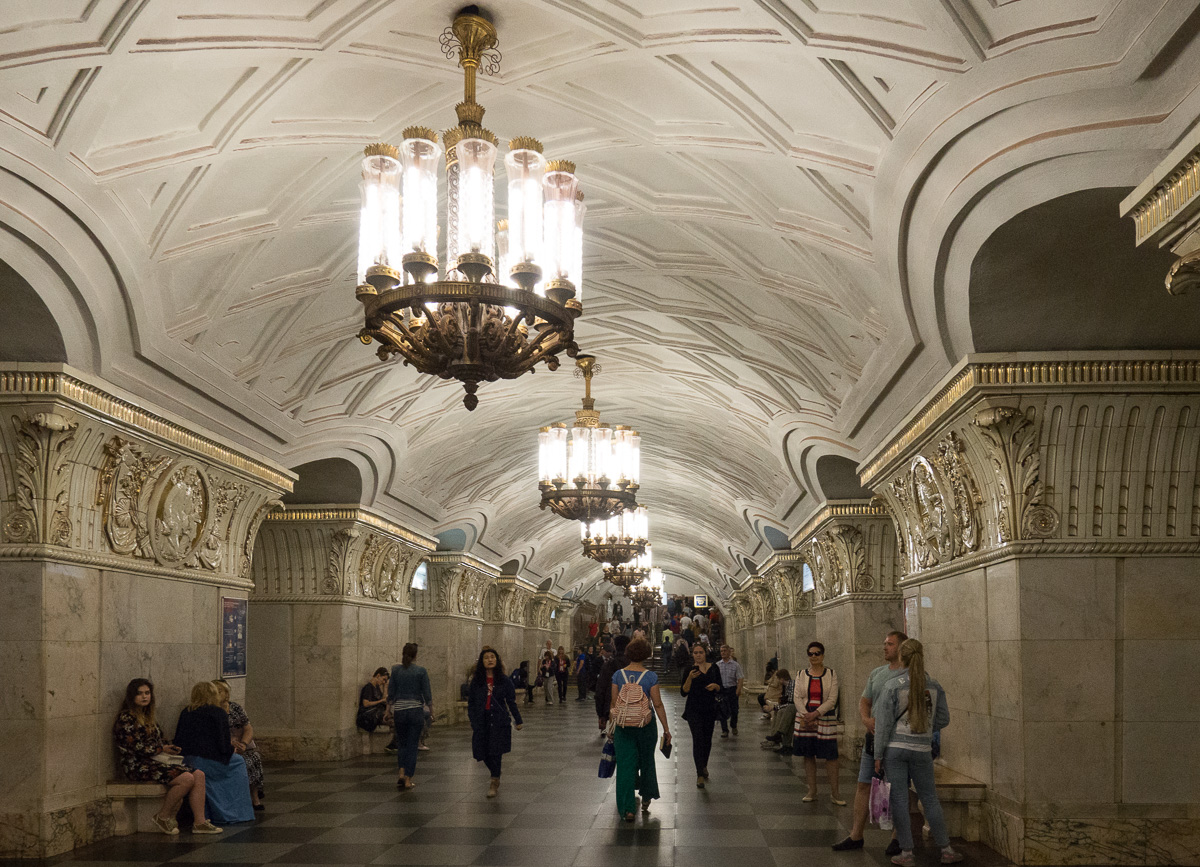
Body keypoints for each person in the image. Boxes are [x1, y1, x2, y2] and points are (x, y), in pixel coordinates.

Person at [873, 639, 962, 866]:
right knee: (930, 799)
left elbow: (882, 725)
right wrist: (924, 727)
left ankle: (907, 853)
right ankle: (946, 849)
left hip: (895, 750)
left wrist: (878, 756)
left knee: (900, 801)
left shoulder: (892, 685)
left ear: (902, 657)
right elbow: (944, 718)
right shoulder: (933, 685)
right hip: (922, 749)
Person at [112, 678, 219, 836]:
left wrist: (168, 747)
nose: (144, 697)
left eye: (147, 693)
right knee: (187, 778)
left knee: (199, 774)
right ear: (131, 696)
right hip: (137, 765)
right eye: (140, 693)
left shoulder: (149, 717)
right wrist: (161, 748)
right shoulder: (126, 719)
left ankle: (200, 822)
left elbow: (158, 739)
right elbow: (135, 747)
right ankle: (163, 815)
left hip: (154, 761)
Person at [833, 630, 908, 854]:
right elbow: (864, 701)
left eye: (890, 644)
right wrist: (866, 720)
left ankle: (897, 836)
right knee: (863, 783)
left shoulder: (910, 675)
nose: (885, 647)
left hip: (897, 740)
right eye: (884, 643)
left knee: (898, 788)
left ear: (902, 648)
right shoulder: (877, 673)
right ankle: (856, 834)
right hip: (873, 738)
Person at [173, 681, 253, 825]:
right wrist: (231, 750)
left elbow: (178, 738)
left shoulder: (186, 711)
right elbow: (223, 743)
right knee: (239, 762)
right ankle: (235, 812)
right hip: (210, 759)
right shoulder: (218, 713)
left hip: (188, 758)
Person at [610, 637, 671, 821]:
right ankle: (646, 797)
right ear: (647, 654)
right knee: (646, 761)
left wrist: (612, 726)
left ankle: (627, 809)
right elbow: (658, 704)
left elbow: (614, 703)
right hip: (645, 726)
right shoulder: (651, 677)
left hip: (623, 726)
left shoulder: (618, 675)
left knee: (625, 766)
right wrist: (666, 729)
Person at [467, 647, 524, 798]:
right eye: (486, 657)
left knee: (496, 752)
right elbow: (471, 702)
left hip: (498, 721)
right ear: (482, 661)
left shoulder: (504, 680)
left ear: (497, 660)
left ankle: (494, 781)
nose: (490, 660)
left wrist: (518, 720)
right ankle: (496, 772)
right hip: (481, 720)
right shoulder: (477, 681)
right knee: (482, 752)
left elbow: (511, 702)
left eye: (492, 657)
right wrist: (472, 720)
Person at [793, 642, 844, 805]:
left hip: (825, 718)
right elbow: (797, 697)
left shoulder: (831, 674)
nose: (814, 656)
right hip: (805, 718)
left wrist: (817, 713)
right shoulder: (801, 674)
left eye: (817, 653)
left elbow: (832, 699)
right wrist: (806, 714)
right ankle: (812, 790)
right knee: (809, 754)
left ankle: (835, 793)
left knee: (831, 755)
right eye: (811, 654)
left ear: (823, 655)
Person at [213, 679, 263, 810]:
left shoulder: (235, 708)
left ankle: (255, 796)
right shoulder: (212, 711)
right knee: (243, 761)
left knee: (254, 757)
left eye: (221, 691)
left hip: (240, 743)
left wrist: (244, 743)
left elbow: (248, 727)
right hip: (226, 746)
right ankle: (242, 798)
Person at [389, 642, 432, 790]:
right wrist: (431, 710)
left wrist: (388, 709)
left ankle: (401, 773)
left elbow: (391, 692)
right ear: (415, 655)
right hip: (415, 711)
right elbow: (427, 693)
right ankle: (408, 779)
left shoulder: (396, 670)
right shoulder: (421, 671)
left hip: (399, 711)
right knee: (413, 745)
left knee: (402, 744)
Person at [680, 641, 722, 787]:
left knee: (707, 740)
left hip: (710, 709)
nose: (698, 655)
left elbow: (720, 687)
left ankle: (704, 764)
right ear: (692, 654)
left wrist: (716, 686)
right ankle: (699, 774)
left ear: (705, 653)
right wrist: (690, 678)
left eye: (701, 652)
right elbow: (683, 692)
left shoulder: (714, 668)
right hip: (694, 709)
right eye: (695, 653)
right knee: (698, 739)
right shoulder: (689, 669)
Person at [595, 634, 630, 732]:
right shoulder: (634, 666)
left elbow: (600, 691)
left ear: (614, 647)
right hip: (633, 711)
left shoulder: (608, 665)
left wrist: (601, 715)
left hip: (612, 709)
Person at [357, 667, 396, 753]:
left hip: (376, 712)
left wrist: (385, 688)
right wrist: (381, 701)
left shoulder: (377, 687)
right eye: (384, 679)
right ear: (378, 675)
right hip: (368, 715)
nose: (384, 682)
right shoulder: (368, 687)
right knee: (393, 721)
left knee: (396, 719)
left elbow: (383, 699)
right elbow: (366, 703)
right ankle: (394, 745)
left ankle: (395, 744)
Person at [760, 669, 795, 753]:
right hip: (790, 707)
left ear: (782, 678)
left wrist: (773, 707)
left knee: (781, 711)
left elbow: (791, 703)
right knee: (778, 712)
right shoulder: (786, 686)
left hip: (794, 707)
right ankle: (776, 738)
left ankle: (778, 735)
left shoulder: (792, 685)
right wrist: (775, 708)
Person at [716, 643, 744, 737]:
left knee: (734, 710)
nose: (723, 653)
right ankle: (725, 730)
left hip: (732, 689)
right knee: (722, 710)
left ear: (729, 652)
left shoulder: (735, 665)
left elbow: (740, 678)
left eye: (724, 651)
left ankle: (734, 725)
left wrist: (738, 690)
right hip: (722, 690)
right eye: (721, 651)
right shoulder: (718, 665)